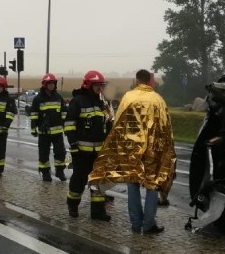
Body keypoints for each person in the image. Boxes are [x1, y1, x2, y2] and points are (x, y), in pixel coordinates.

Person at [89, 69, 176, 234]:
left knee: (133, 185)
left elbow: (118, 125)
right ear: (150, 81)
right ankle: (149, 224)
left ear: (137, 81)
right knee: (152, 185)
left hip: (131, 150)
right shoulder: (158, 100)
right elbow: (166, 128)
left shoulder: (128, 98)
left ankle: (136, 224)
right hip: (153, 151)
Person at [64, 70, 111, 221]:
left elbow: (107, 124)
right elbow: (70, 124)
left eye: (101, 86)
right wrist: (73, 145)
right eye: (97, 85)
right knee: (79, 180)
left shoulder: (101, 102)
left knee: (98, 182)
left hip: (98, 152)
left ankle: (97, 212)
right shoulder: (77, 101)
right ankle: (72, 205)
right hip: (81, 152)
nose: (100, 88)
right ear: (89, 85)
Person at [30, 73, 68, 182]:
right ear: (44, 84)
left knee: (61, 153)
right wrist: (33, 128)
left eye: (53, 83)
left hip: (57, 132)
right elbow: (34, 115)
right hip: (44, 132)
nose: (52, 85)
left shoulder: (58, 97)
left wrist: (65, 125)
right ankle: (45, 173)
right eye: (49, 83)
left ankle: (60, 171)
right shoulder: (38, 99)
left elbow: (64, 112)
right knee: (43, 154)